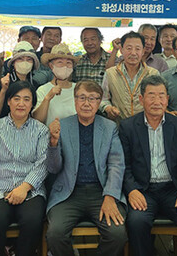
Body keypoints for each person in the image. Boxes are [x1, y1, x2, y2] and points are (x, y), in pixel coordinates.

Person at [120, 75, 177, 256]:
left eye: (161, 95)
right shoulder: (128, 127)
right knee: (136, 221)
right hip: (144, 190)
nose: (156, 101)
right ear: (141, 99)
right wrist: (132, 190)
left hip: (173, 189)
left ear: (167, 99)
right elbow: (123, 165)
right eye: (151, 95)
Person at [45, 80, 127, 256]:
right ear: (75, 101)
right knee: (55, 234)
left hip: (101, 191)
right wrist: (53, 143)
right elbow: (53, 168)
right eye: (82, 97)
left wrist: (110, 195)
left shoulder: (109, 127)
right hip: (68, 193)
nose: (87, 103)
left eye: (92, 98)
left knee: (117, 234)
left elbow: (116, 164)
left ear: (99, 103)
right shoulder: (62, 125)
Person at [0, 81, 49, 256]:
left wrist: (24, 188)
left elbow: (43, 164)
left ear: (32, 103)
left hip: (30, 189)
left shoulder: (41, 130)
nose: (21, 103)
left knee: (32, 220)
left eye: (26, 99)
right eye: (16, 98)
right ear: (9, 102)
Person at [100, 31, 160, 122]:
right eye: (129, 48)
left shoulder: (153, 74)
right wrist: (108, 108)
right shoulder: (110, 73)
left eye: (137, 49)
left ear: (143, 51)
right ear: (121, 50)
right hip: (119, 126)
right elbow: (103, 98)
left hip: (145, 126)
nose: (133, 53)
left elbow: (158, 99)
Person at [33, 43, 79, 125]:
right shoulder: (43, 90)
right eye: (60, 62)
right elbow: (37, 120)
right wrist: (47, 98)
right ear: (51, 66)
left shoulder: (78, 89)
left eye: (68, 63)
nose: (65, 66)